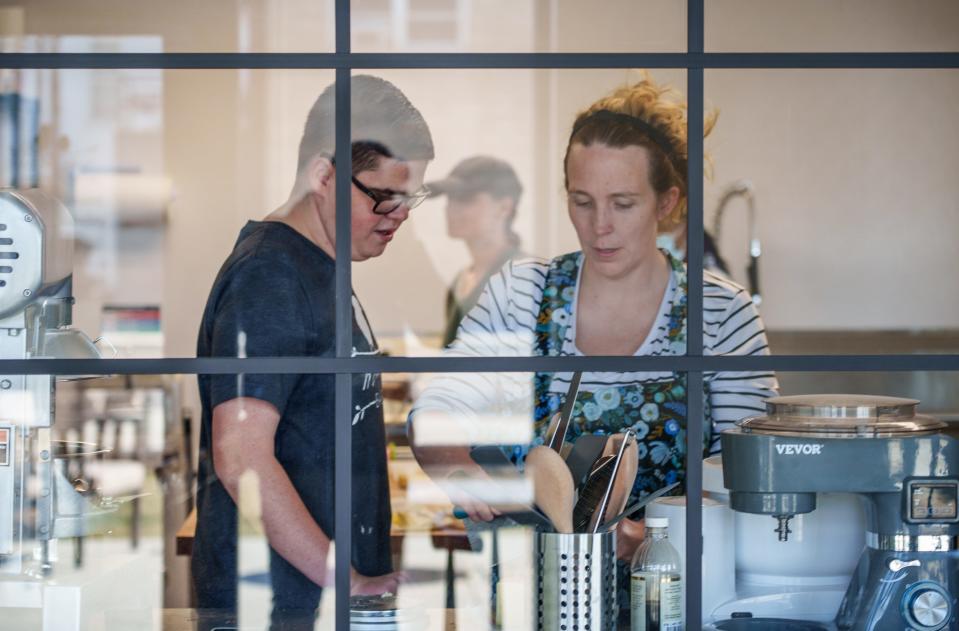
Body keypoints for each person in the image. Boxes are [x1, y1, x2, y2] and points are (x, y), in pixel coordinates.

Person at [407, 73, 777, 617]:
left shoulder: (722, 313)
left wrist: (650, 534)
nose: (599, 226)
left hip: (675, 599)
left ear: (666, 200)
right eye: (582, 202)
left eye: (622, 203)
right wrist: (456, 467)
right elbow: (441, 409)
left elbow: (747, 476)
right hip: (528, 600)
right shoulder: (521, 293)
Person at [193, 75, 434, 631]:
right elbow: (241, 456)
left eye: (410, 197)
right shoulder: (270, 275)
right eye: (385, 197)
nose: (400, 214)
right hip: (280, 607)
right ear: (323, 175)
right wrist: (346, 581)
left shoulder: (319, 267)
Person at [427, 156, 524, 347]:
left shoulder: (521, 277)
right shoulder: (460, 280)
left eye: (466, 199)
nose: (451, 208)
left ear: (504, 207)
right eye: (450, 198)